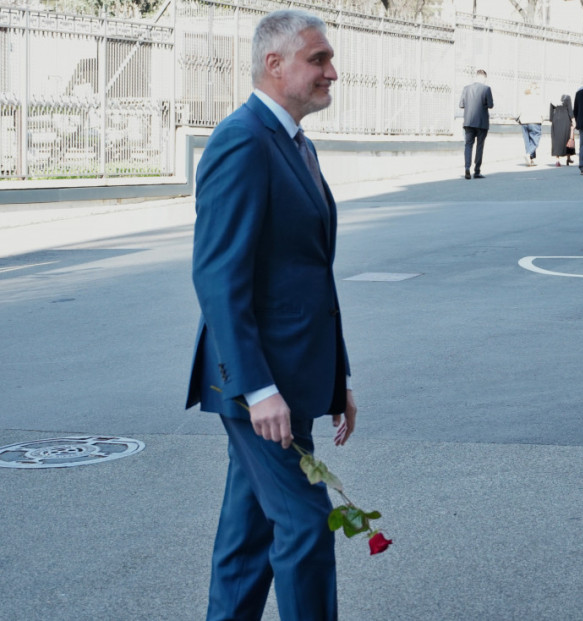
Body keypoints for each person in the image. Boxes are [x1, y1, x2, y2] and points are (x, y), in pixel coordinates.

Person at [186, 9, 355, 621]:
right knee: (307, 525)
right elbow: (218, 277)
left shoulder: (294, 143)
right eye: (318, 59)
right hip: (259, 385)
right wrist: (257, 389)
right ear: (274, 64)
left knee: (249, 537)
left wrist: (339, 377)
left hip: (290, 379)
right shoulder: (243, 140)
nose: (331, 72)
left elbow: (307, 275)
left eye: (330, 59)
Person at [460, 69, 494, 179]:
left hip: (468, 122)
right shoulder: (486, 89)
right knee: (480, 145)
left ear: (476, 76)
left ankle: (467, 168)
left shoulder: (466, 88)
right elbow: (491, 105)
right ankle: (477, 170)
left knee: (468, 145)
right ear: (484, 78)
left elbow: (461, 105)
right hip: (481, 122)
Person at [516, 82, 544, 166]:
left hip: (524, 121)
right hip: (535, 120)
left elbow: (519, 111)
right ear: (535, 89)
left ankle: (530, 160)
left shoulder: (524, 98)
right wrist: (542, 119)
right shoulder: (538, 98)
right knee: (535, 140)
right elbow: (542, 111)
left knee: (527, 141)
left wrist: (520, 119)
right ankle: (528, 154)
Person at [549, 93, 574, 166]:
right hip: (565, 118)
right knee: (567, 137)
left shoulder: (553, 97)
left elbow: (551, 110)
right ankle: (568, 158)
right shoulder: (567, 97)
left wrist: (552, 119)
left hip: (556, 118)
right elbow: (570, 110)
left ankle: (557, 160)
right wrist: (573, 119)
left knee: (556, 139)